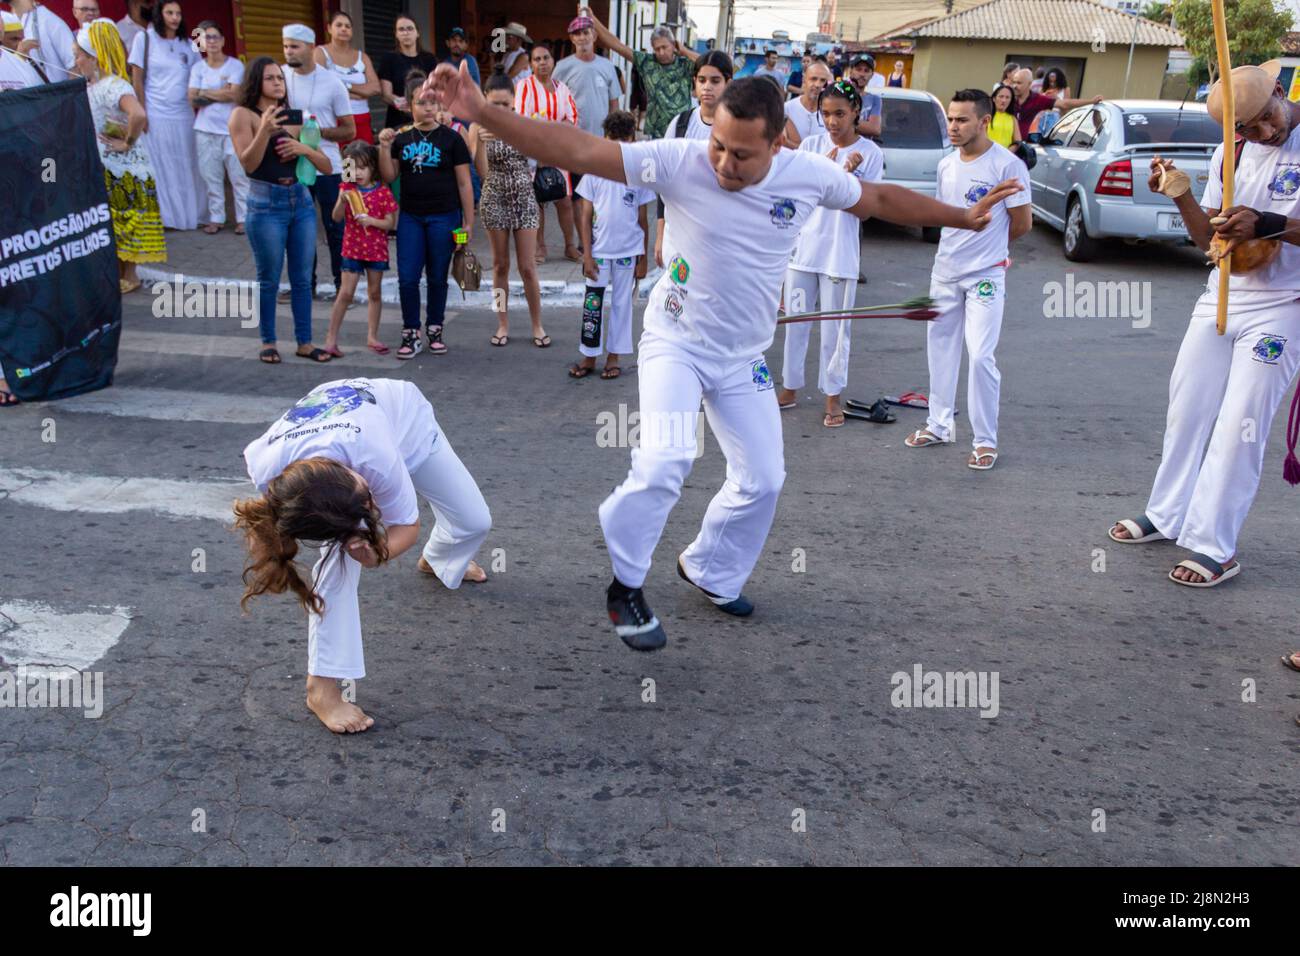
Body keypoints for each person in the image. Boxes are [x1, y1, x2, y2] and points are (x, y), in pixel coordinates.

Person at [426, 63, 1020, 649]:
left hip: (742, 358)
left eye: (741, 155)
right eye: (718, 146)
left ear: (776, 144)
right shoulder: (682, 159)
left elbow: (880, 197)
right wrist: (482, 114)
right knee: (666, 459)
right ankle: (625, 585)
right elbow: (577, 149)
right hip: (675, 343)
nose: (724, 164)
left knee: (763, 478)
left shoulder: (807, 174)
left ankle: (710, 568)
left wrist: (959, 217)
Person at [1108, 62, 1300, 588]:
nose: (1258, 133)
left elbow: (1270, 225)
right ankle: (1167, 514)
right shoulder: (1229, 152)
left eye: (1263, 120)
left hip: (1285, 303)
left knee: (1241, 421)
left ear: (1280, 94)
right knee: (1187, 406)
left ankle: (1216, 545)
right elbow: (1208, 242)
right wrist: (1181, 194)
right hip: (1222, 295)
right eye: (1243, 128)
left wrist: (1270, 224)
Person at [237, 377, 492, 734]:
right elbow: (274, 521)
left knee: (475, 521)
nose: (376, 505)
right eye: (368, 504)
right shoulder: (271, 471)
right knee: (336, 563)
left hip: (406, 419)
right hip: (350, 445)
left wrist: (378, 555)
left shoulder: (377, 460)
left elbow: (407, 526)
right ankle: (321, 689)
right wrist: (350, 545)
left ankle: (440, 558)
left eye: (367, 493)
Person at [904, 89, 1032, 471]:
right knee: (940, 348)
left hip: (986, 276)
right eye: (951, 119)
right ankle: (938, 424)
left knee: (980, 355)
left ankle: (985, 440)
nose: (954, 127)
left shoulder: (1008, 165)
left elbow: (1022, 225)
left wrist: (990, 254)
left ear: (984, 121)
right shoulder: (946, 165)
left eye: (962, 120)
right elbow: (947, 216)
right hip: (944, 272)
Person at [777, 81, 884, 429]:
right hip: (802, 252)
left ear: (856, 112)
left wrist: (850, 177)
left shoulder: (870, 153)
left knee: (836, 329)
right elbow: (796, 195)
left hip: (839, 253)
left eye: (839, 113)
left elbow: (866, 209)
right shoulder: (810, 146)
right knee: (795, 323)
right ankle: (790, 387)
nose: (832, 121)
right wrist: (827, 169)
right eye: (825, 114)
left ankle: (833, 396)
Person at [229, 56, 334, 364]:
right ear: (256, 83)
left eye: (279, 78)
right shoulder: (242, 115)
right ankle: (268, 341)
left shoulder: (296, 117)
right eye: (270, 78)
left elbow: (325, 165)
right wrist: (264, 129)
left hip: (300, 200)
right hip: (265, 203)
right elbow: (248, 164)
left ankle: (304, 341)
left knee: (302, 277)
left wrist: (304, 148)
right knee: (269, 278)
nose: (277, 82)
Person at [378, 73, 474, 359]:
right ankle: (410, 332)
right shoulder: (400, 138)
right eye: (422, 102)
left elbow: (464, 183)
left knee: (437, 277)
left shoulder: (452, 139)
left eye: (433, 101)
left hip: (445, 218)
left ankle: (435, 328)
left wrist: (467, 224)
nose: (428, 107)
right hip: (410, 218)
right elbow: (389, 175)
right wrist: (384, 147)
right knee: (407, 278)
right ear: (409, 105)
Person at [72, 17, 165, 295]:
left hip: (124, 167)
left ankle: (131, 275)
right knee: (116, 222)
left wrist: (128, 141)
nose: (76, 61)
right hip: (109, 165)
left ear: (94, 57)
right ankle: (119, 272)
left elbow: (138, 113)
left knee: (127, 221)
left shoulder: (114, 85)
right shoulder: (95, 86)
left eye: (79, 56)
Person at [569, 110, 652, 380]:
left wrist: (643, 258)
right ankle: (589, 355)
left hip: (628, 253)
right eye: (613, 140)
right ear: (604, 138)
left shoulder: (638, 174)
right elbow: (584, 216)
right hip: (599, 252)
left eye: (623, 140)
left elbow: (643, 220)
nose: (618, 146)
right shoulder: (593, 171)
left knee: (621, 305)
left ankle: (614, 357)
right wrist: (587, 255)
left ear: (632, 139)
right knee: (593, 303)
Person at [472, 73, 547, 349]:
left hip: (525, 199)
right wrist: (480, 141)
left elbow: (540, 157)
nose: (501, 110)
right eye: (495, 104)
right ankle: (502, 323)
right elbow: (482, 172)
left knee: (528, 267)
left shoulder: (525, 124)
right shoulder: (478, 126)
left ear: (514, 101)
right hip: (494, 199)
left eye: (506, 104)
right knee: (500, 265)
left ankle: (537, 324)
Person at [281, 24, 355, 298]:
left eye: (295, 46)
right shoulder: (279, 77)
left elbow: (349, 130)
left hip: (329, 166)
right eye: (286, 45)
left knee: (336, 230)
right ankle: (304, 287)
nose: (289, 51)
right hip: (293, 164)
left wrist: (314, 132)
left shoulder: (332, 82)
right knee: (298, 230)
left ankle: (341, 287)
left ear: (311, 47)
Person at [128, 1, 202, 230]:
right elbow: (137, 78)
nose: (175, 17)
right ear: (159, 15)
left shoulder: (189, 44)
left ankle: (195, 215)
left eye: (178, 13)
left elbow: (199, 75)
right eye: (169, 12)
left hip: (185, 116)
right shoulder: (144, 39)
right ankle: (168, 218)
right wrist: (143, 112)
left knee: (189, 166)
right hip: (157, 115)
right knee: (162, 167)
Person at [654, 50, 732, 266]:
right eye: (702, 80)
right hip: (679, 234)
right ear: (694, 83)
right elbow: (663, 181)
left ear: (728, 83)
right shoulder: (680, 124)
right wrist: (660, 234)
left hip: (720, 234)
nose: (707, 87)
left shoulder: (737, 127)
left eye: (715, 81)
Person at [323, 141, 397, 358]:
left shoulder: (382, 192)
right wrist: (342, 201)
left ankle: (372, 336)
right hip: (352, 248)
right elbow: (335, 217)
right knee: (345, 293)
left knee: (375, 292)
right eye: (352, 168)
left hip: (375, 249)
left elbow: (389, 223)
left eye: (362, 168)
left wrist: (371, 221)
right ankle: (331, 339)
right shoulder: (347, 189)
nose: (357, 173)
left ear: (373, 167)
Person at [515, 42, 580, 263]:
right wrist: (541, 153)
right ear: (531, 64)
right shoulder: (525, 86)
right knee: (537, 201)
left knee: (564, 199)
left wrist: (554, 141)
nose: (542, 63)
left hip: (559, 153)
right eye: (537, 59)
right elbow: (523, 122)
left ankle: (570, 246)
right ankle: (539, 248)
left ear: (553, 61)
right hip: (534, 155)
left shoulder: (562, 88)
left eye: (546, 58)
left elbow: (572, 119)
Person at [585, 8, 693, 139]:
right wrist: (593, 20)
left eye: (665, 47)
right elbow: (617, 45)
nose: (661, 52)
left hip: (682, 130)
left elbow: (712, 63)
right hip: (657, 134)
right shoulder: (647, 62)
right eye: (657, 49)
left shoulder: (685, 64)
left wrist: (684, 50)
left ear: (673, 44)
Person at [189, 20, 247, 235]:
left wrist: (205, 92)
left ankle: (243, 218)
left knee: (238, 176)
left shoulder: (235, 66)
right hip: (205, 130)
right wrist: (220, 92)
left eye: (215, 37)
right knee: (210, 176)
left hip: (232, 129)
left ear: (222, 40)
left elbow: (235, 94)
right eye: (206, 37)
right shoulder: (198, 68)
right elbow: (192, 99)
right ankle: (216, 218)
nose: (211, 41)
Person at [315, 11, 379, 145]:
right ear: (329, 28)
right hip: (334, 121)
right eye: (339, 25)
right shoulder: (320, 53)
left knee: (361, 162)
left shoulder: (363, 57)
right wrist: (360, 92)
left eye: (347, 26)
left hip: (361, 119)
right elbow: (319, 87)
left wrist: (346, 87)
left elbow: (375, 88)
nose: (344, 29)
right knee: (340, 163)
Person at [552, 15, 620, 139]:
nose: (582, 37)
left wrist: (612, 133)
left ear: (594, 36)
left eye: (586, 32)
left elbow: (614, 104)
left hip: (600, 137)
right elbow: (552, 101)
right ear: (572, 38)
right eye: (577, 34)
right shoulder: (562, 67)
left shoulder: (608, 66)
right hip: (571, 136)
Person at [377, 14, 437, 130]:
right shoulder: (388, 59)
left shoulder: (429, 59)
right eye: (401, 29)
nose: (406, 33)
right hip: (398, 120)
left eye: (410, 28)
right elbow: (386, 94)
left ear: (417, 33)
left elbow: (436, 89)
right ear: (396, 34)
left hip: (426, 118)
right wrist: (403, 102)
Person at [1009, 67, 1097, 140]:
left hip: (1021, 145)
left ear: (1029, 84)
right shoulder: (1007, 97)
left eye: (1019, 83)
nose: (1015, 86)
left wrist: (1091, 101)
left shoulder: (1036, 99)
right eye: (1014, 82)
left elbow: (1065, 104)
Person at [11, 0, 74, 79]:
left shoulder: (49, 21)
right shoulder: (8, 23)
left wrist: (69, 91)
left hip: (57, 90)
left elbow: (75, 67)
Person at [782, 56, 830, 147]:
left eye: (823, 80)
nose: (817, 85)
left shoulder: (831, 114)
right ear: (804, 79)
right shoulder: (787, 109)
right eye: (813, 79)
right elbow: (782, 144)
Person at [0, 13, 42, 90]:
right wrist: (18, 58)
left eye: (22, 39)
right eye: (14, 39)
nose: (20, 44)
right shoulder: (19, 59)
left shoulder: (24, 64)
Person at [845, 54, 882, 138]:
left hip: (865, 150)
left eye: (866, 71)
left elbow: (875, 129)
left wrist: (844, 120)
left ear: (872, 75)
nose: (862, 74)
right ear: (851, 72)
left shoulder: (875, 99)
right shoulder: (840, 93)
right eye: (858, 69)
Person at [988, 83, 1021, 149]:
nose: (1004, 100)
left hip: (1007, 156)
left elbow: (1018, 142)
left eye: (1007, 97)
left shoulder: (1012, 118)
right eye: (1001, 96)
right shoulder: (987, 116)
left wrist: (1008, 152)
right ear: (994, 98)